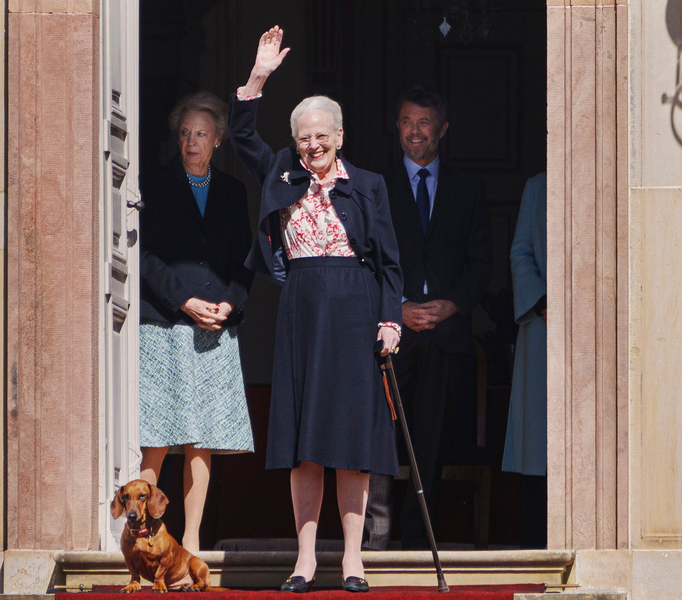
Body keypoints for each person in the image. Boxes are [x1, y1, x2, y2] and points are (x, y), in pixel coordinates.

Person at [228, 26, 402, 593]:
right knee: (305, 444)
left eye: (322, 136)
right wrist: (258, 77)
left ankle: (353, 559)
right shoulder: (281, 170)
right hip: (301, 310)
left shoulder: (369, 185)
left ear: (341, 136)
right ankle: (304, 560)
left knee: (350, 443)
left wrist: (390, 320)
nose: (313, 145)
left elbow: (388, 262)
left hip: (355, 310)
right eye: (304, 137)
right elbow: (241, 134)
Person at [364, 86, 493, 550]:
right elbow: (363, 260)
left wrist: (452, 304)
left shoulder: (468, 188)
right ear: (396, 129)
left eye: (423, 122)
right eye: (405, 122)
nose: (414, 132)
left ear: (442, 128)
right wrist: (394, 306)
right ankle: (374, 539)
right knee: (377, 435)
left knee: (431, 441)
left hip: (443, 336)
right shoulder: (373, 187)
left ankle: (420, 542)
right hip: (389, 333)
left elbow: (482, 264)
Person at [138, 91, 255, 553]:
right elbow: (144, 257)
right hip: (165, 325)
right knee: (158, 436)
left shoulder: (233, 192)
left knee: (200, 438)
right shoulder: (154, 185)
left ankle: (190, 539)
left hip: (214, 329)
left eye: (201, 134)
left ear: (218, 140)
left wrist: (229, 305)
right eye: (185, 133)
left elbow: (245, 260)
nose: (192, 142)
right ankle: (143, 535)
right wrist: (183, 301)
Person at [502, 172, 547, 548]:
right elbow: (521, 252)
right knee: (538, 439)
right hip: (543, 324)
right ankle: (533, 541)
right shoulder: (536, 186)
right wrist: (542, 301)